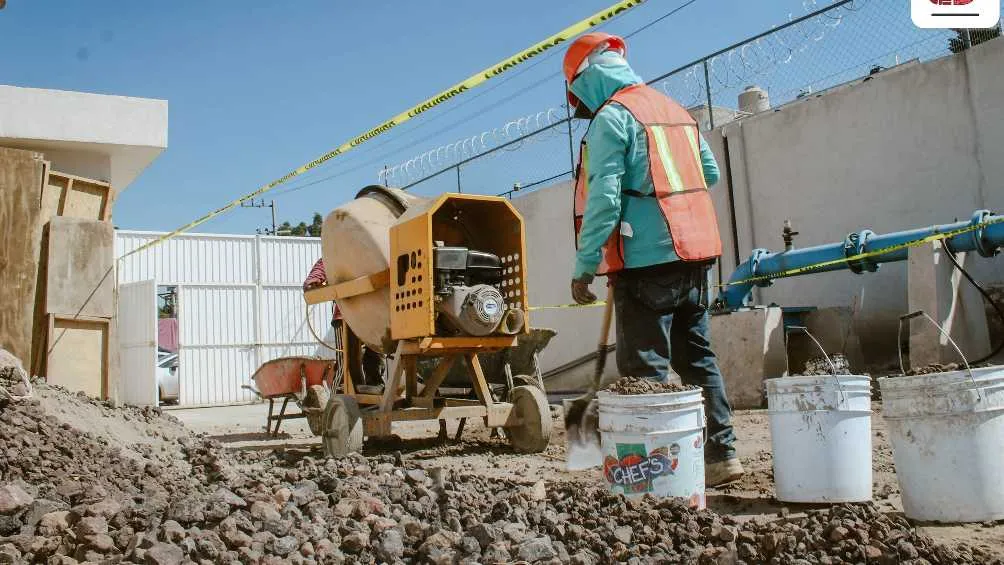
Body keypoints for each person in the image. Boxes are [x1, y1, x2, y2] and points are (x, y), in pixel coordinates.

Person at [563, 32, 743, 486]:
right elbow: (709, 173)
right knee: (697, 359)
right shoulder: (675, 111)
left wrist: (585, 267)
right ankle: (721, 456)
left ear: (587, 80)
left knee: (646, 369)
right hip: (696, 255)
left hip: (646, 264)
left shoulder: (612, 117)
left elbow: (604, 200)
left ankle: (655, 477)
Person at [303, 258, 384, 386]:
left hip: (372, 314)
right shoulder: (338, 253)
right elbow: (323, 266)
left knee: (375, 359)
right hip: (345, 316)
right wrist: (313, 281)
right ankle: (340, 393)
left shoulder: (370, 252)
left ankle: (374, 388)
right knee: (347, 367)